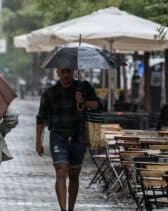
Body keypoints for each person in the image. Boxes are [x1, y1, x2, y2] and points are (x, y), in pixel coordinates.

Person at [36, 68, 103, 211]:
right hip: (58, 137)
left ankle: (71, 208)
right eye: (63, 72)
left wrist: (83, 101)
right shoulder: (50, 93)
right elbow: (40, 118)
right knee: (61, 170)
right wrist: (38, 142)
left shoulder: (83, 87)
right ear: (58, 73)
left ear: (73, 71)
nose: (66, 75)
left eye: (69, 71)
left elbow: (99, 105)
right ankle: (63, 209)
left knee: (73, 176)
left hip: (79, 138)